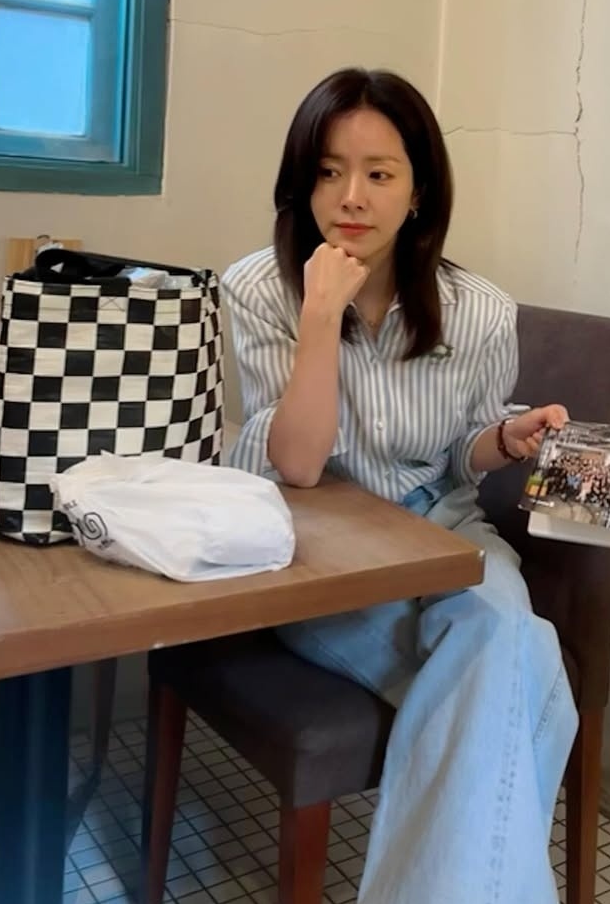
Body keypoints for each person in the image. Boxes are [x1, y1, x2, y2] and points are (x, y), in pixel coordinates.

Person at [222, 67, 578, 904]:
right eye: (328, 171)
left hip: (443, 534)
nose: (351, 196)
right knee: (525, 676)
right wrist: (319, 315)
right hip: (316, 550)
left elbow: (457, 453)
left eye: (379, 173)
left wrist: (502, 439)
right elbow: (297, 463)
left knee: (502, 641)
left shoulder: (480, 310)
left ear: (418, 191)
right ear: (301, 182)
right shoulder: (257, 288)